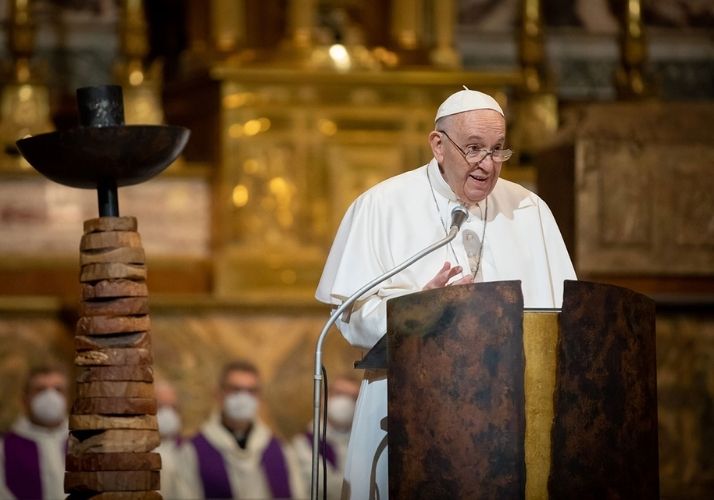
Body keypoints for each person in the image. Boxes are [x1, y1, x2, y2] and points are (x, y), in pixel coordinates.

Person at [316, 88, 577, 498]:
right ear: (438, 145)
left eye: (497, 150)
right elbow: (352, 317)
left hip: (509, 420)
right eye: (473, 149)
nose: (487, 166)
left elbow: (561, 320)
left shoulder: (531, 211)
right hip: (408, 411)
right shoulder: (382, 205)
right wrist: (417, 309)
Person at [179, 359, 306, 499]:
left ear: (259, 397)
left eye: (251, 391)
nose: (243, 397)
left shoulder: (280, 450)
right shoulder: (192, 451)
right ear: (219, 394)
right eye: (235, 389)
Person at [0, 363, 69, 500]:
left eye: (58, 389)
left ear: (67, 397)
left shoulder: (85, 443)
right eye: (40, 389)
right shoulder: (4, 447)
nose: (50, 396)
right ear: (25, 399)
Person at [292, 374, 360, 500]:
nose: (344, 402)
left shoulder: (364, 444)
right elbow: (324, 487)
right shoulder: (304, 442)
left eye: (352, 397)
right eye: (338, 394)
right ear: (323, 398)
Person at [154, 378, 186, 500]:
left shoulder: (188, 450)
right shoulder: (137, 452)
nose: (167, 414)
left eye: (172, 407)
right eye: (161, 407)